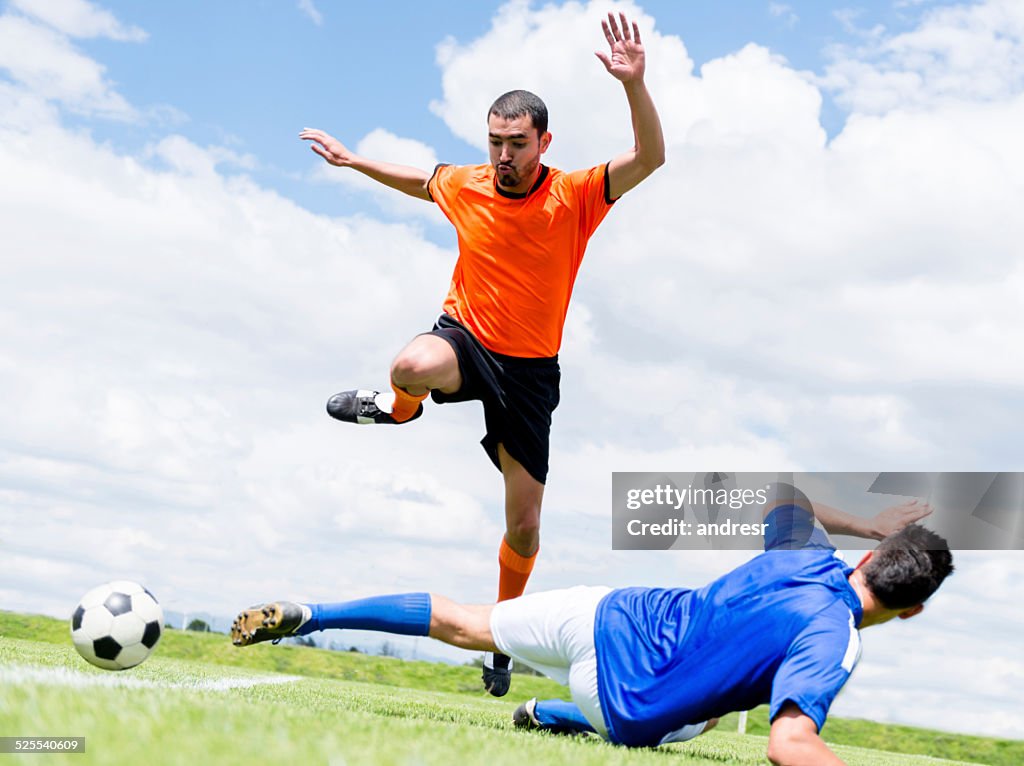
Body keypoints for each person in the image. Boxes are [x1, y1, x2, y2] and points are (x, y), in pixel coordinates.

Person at [299, 12, 664, 695]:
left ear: (544, 141)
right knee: (409, 365)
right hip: (465, 340)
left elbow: (649, 159)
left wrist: (633, 87)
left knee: (523, 528)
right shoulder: (467, 185)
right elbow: (421, 179)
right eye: (494, 142)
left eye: (516, 144)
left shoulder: (576, 195)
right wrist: (354, 161)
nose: (503, 156)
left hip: (529, 374)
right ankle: (401, 410)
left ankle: (501, 633)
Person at [231, 488, 952, 766]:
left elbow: (781, 496)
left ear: (869, 555)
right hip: (625, 715)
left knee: (465, 621)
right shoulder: (836, 641)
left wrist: (866, 520)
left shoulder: (807, 553)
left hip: (605, 617)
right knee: (696, 721)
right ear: (911, 608)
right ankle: (548, 714)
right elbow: (788, 743)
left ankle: (314, 615)